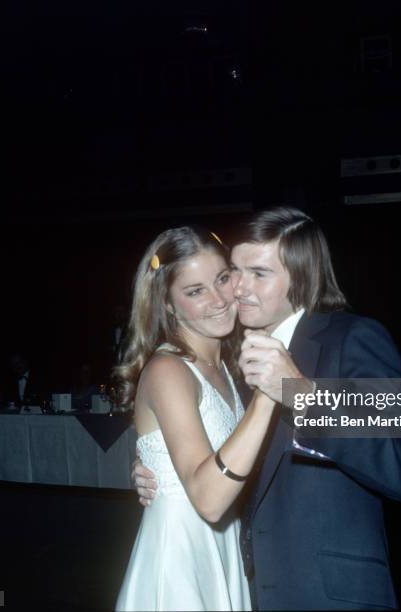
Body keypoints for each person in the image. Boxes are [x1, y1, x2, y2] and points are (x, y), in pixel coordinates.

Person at [134, 207, 401, 610]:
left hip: (332, 595)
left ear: (302, 278)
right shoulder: (231, 360)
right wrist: (155, 462)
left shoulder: (354, 340)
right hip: (249, 587)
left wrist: (303, 396)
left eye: (259, 273)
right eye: (234, 271)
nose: (237, 289)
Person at [112, 226, 290, 611]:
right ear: (168, 305)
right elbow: (208, 498)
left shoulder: (228, 362)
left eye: (222, 279)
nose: (221, 299)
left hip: (226, 546)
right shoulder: (170, 369)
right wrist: (268, 395)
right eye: (196, 291)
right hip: (183, 554)